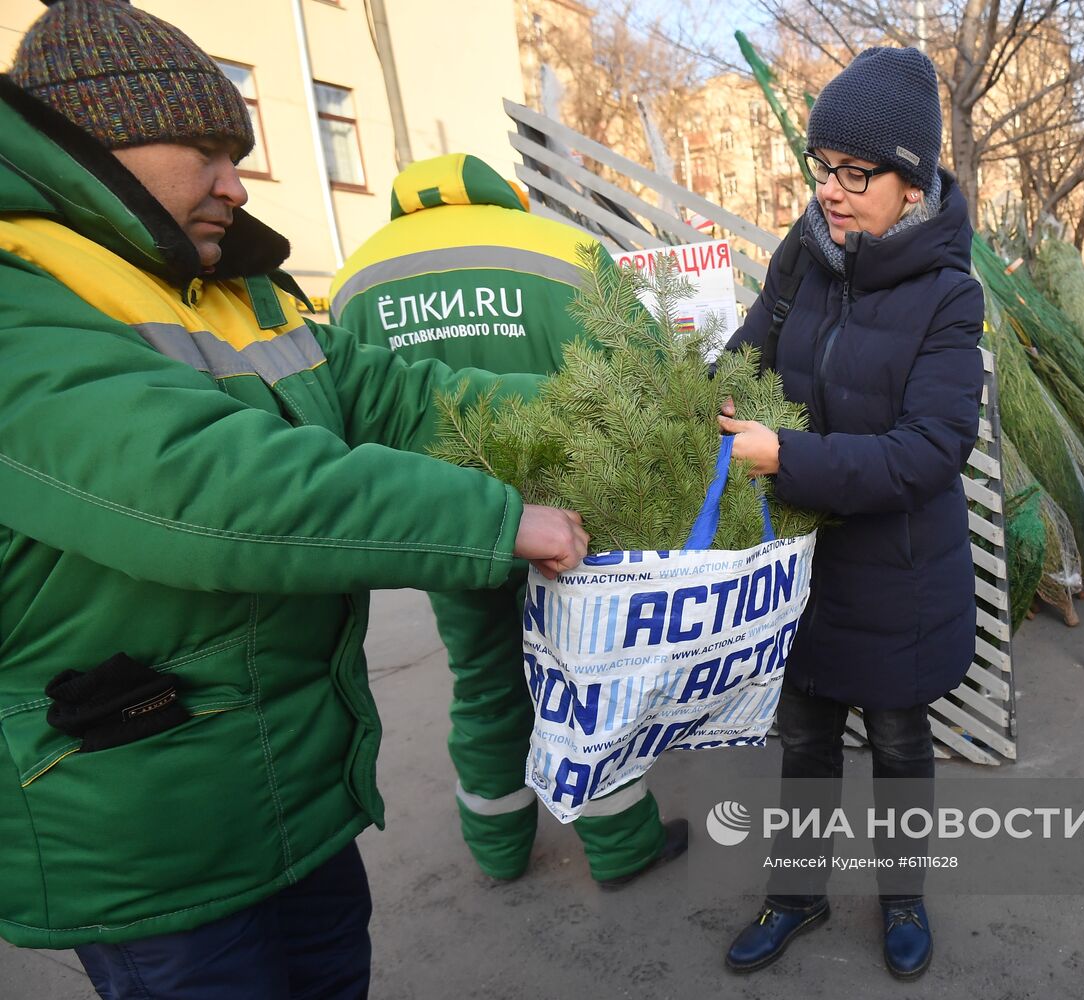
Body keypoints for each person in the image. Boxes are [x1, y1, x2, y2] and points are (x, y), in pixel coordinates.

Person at [0, 2, 588, 997]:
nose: (236, 182)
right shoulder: (26, 304)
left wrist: (600, 413)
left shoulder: (241, 290)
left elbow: (412, 398)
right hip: (154, 847)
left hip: (298, 800)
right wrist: (494, 522)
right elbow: (214, 485)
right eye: (206, 150)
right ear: (89, 140)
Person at [329, 153, 686, 887]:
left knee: (485, 677)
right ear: (508, 196)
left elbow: (350, 407)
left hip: (444, 519)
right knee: (591, 680)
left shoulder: (355, 278)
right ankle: (620, 847)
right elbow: (644, 375)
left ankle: (497, 848)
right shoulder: (561, 251)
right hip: (581, 516)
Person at [716, 46, 985, 980]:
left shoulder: (950, 297)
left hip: (900, 571)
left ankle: (903, 893)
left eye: (854, 173)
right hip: (800, 564)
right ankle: (796, 894)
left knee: (901, 740)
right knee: (804, 735)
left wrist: (785, 456)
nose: (830, 190)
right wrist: (704, 390)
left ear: (910, 184)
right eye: (823, 167)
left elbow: (929, 450)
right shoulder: (804, 260)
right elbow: (750, 355)